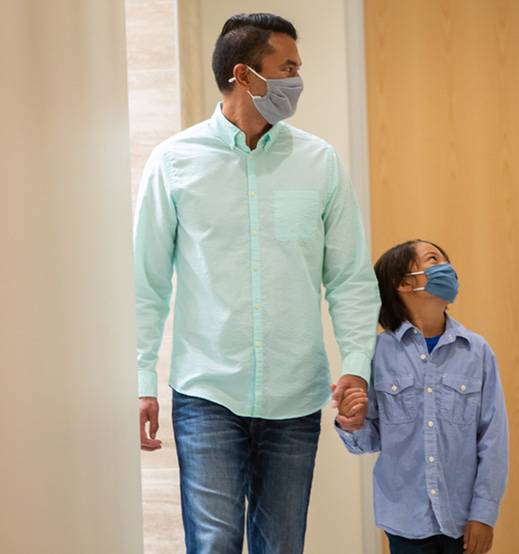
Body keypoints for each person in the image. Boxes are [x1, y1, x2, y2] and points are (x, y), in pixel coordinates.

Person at [133, 12, 379, 553]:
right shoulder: (174, 162)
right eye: (287, 67)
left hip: (294, 395)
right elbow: (145, 283)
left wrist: (357, 367)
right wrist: (141, 379)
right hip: (206, 392)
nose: (297, 79)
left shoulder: (320, 163)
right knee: (215, 544)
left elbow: (351, 279)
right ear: (244, 76)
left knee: (283, 546)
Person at [335, 240, 508, 554]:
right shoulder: (376, 354)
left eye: (446, 261)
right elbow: (370, 440)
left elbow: (493, 438)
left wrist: (484, 513)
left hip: (463, 520)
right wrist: (352, 423)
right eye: (433, 260)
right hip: (403, 520)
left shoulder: (477, 352)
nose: (448, 269)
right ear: (404, 284)